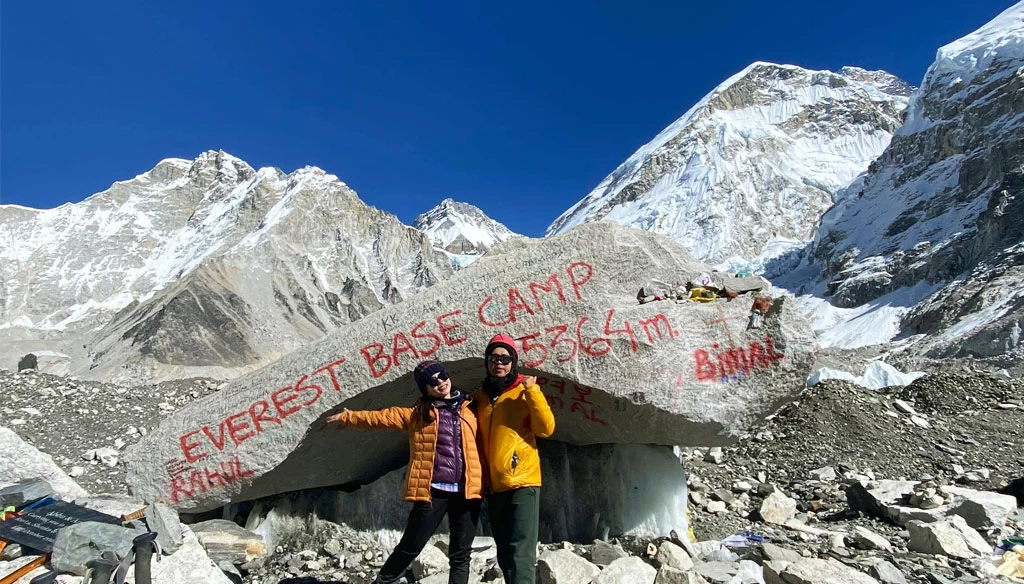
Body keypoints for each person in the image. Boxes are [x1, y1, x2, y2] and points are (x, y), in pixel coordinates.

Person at [325, 360, 482, 584]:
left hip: (467, 490)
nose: (440, 382)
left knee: (461, 555)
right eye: (432, 381)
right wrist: (348, 416)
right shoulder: (419, 414)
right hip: (433, 491)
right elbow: (381, 418)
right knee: (411, 546)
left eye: (442, 376)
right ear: (425, 389)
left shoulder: (471, 408)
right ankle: (383, 581)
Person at [472, 334, 555, 584]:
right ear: (487, 362)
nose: (499, 363)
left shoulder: (523, 391)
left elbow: (546, 429)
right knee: (505, 553)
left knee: (521, 552)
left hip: (523, 482)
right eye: (494, 358)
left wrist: (533, 391)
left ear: (513, 362)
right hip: (495, 486)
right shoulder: (480, 397)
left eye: (505, 358)